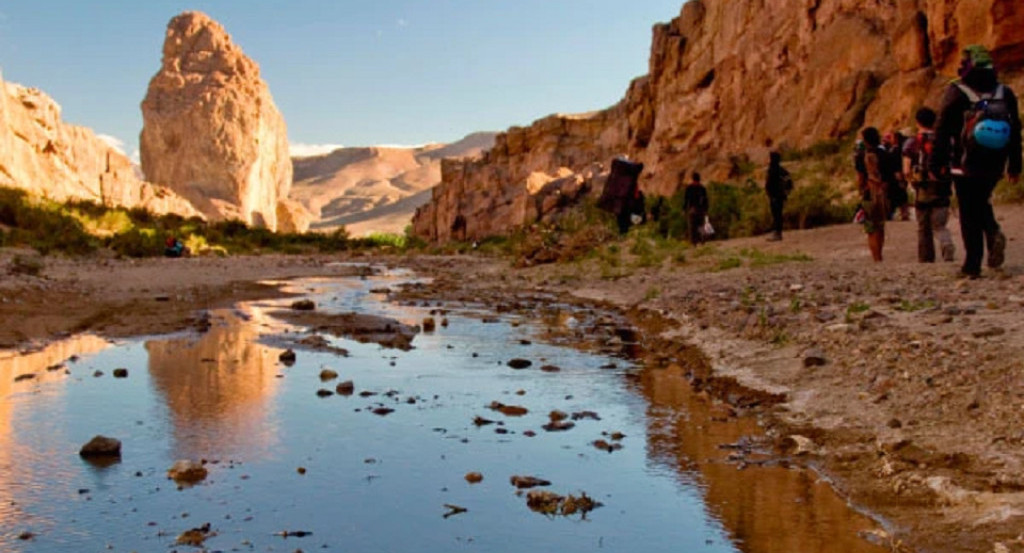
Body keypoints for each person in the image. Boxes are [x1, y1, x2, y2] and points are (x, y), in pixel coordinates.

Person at [931, 44, 1022, 278]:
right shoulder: (1004, 92)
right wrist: (1014, 165)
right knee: (981, 201)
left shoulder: (957, 90)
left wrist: (936, 161)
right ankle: (992, 233)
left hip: (964, 162)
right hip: (995, 162)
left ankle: (972, 265)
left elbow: (941, 128)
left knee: (969, 210)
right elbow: (1015, 130)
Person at [903, 107, 955, 263]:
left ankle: (926, 258)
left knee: (923, 226)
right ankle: (946, 242)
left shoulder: (911, 142)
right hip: (943, 185)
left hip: (922, 188)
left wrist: (911, 182)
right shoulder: (946, 140)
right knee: (939, 224)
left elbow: (906, 169)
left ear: (918, 122)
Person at [859, 127, 888, 262]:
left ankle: (876, 258)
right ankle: (880, 254)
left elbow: (860, 177)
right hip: (883, 193)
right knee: (880, 226)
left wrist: (860, 190)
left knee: (871, 228)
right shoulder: (884, 153)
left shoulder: (860, 156)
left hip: (868, 193)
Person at [764, 151, 792, 241]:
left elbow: (771, 183)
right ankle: (777, 233)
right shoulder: (779, 169)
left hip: (775, 196)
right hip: (777, 195)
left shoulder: (774, 169)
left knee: (777, 215)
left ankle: (777, 234)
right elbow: (788, 180)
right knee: (777, 215)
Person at [882, 132, 910, 221]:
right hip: (894, 176)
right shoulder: (894, 149)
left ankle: (903, 214)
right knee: (899, 195)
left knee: (899, 195)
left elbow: (896, 163)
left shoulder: (896, 150)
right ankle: (902, 213)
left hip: (896, 176)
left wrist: (899, 176)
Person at [682, 171, 709, 245]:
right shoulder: (702, 188)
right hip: (701, 210)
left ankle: (694, 242)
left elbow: (686, 199)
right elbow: (705, 200)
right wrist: (706, 209)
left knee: (692, 227)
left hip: (692, 209)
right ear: (699, 179)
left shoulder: (689, 188)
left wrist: (684, 210)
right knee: (701, 225)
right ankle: (702, 241)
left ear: (692, 179)